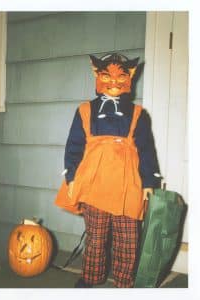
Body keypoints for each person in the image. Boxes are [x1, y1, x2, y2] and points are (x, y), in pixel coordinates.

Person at [55, 53, 160, 288]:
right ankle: (91, 277)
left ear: (130, 77)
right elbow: (73, 145)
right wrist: (71, 175)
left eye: (121, 76)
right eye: (107, 76)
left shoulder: (138, 114)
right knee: (96, 237)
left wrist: (149, 182)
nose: (114, 82)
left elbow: (146, 150)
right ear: (97, 75)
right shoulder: (84, 110)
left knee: (128, 240)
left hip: (128, 186)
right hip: (95, 184)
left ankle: (124, 282)